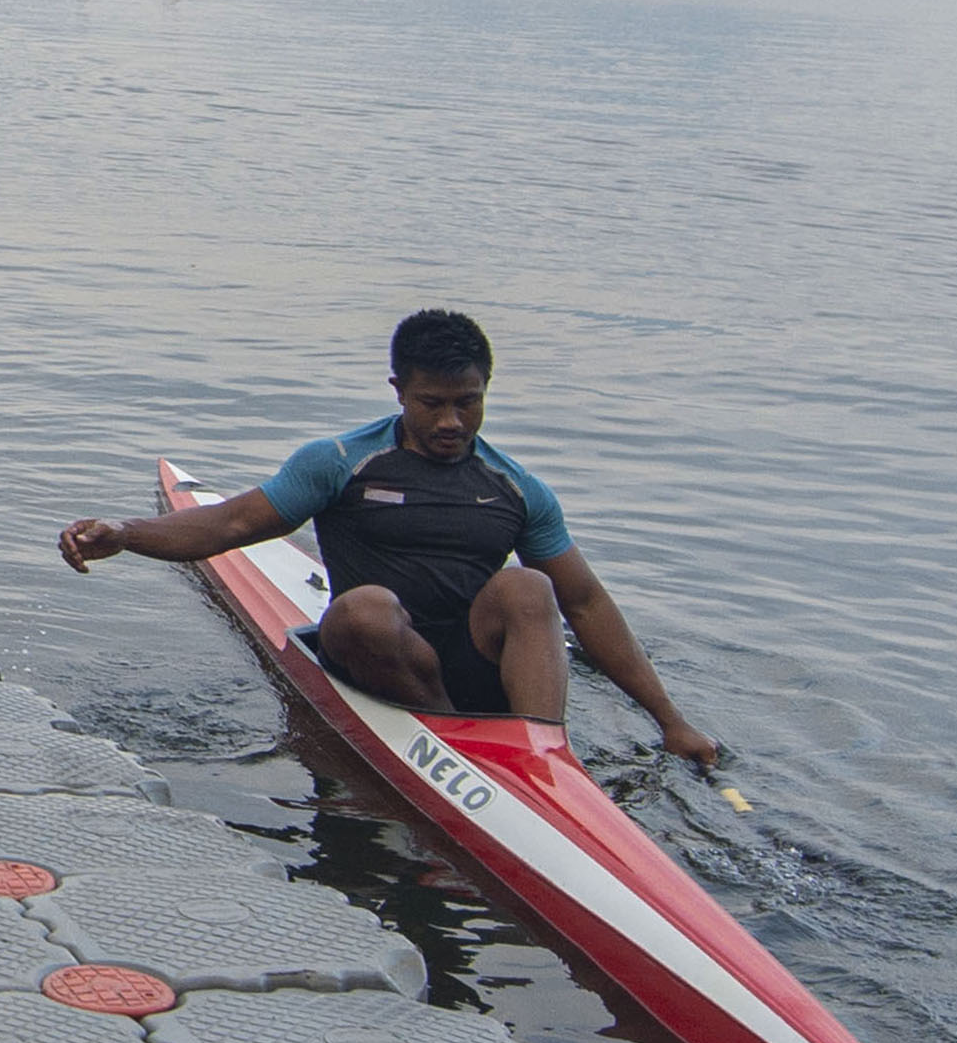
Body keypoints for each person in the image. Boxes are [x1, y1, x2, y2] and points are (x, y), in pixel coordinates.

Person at [55, 311, 721, 764]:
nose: (453, 421)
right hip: (378, 653)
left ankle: (543, 756)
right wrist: (127, 533)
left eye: (470, 401)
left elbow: (586, 606)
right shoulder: (340, 461)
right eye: (433, 403)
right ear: (399, 391)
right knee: (365, 606)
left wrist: (672, 721)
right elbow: (232, 523)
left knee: (530, 585)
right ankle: (452, 742)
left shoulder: (516, 488)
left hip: (473, 659)